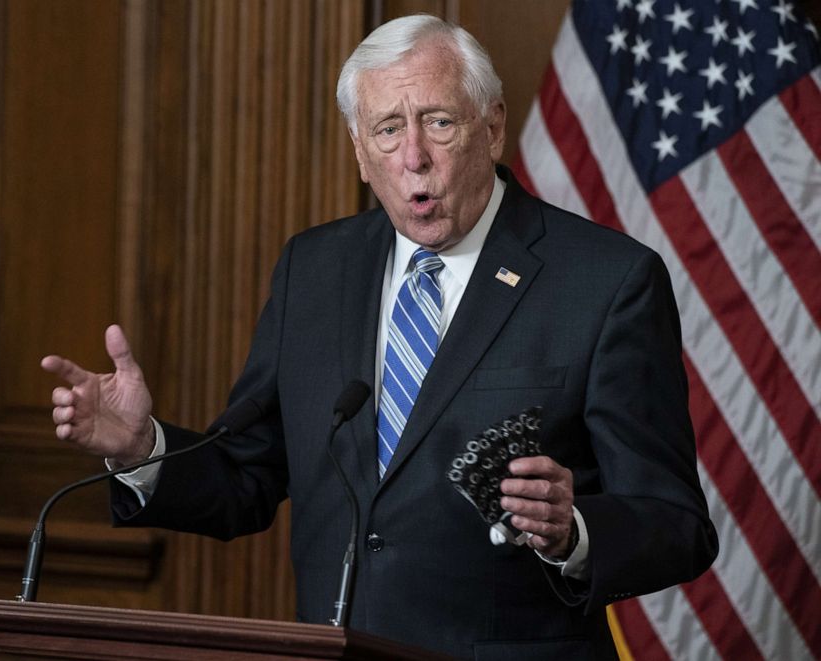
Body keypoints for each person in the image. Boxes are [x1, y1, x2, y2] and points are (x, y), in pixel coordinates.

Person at [42, 15, 717, 660]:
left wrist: (574, 531)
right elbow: (247, 475)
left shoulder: (605, 281)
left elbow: (677, 524)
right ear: (360, 152)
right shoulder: (314, 270)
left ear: (491, 126)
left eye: (439, 122)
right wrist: (143, 447)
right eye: (388, 130)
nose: (414, 157)